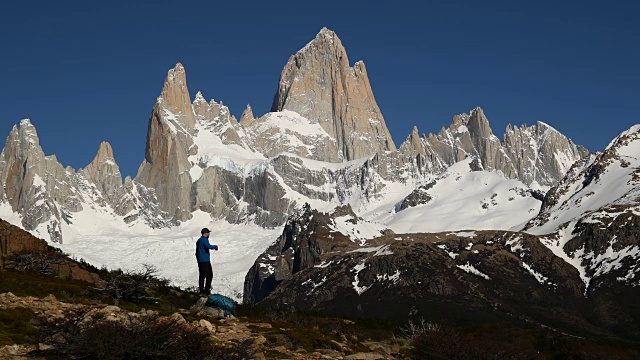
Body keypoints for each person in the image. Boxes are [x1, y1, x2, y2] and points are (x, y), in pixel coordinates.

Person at [195, 228, 218, 295]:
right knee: (209, 275)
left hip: (200, 260)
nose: (209, 234)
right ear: (205, 233)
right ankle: (207, 291)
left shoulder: (199, 240)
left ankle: (201, 290)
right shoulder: (204, 239)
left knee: (202, 275)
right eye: (208, 233)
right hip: (205, 260)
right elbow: (208, 246)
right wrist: (215, 246)